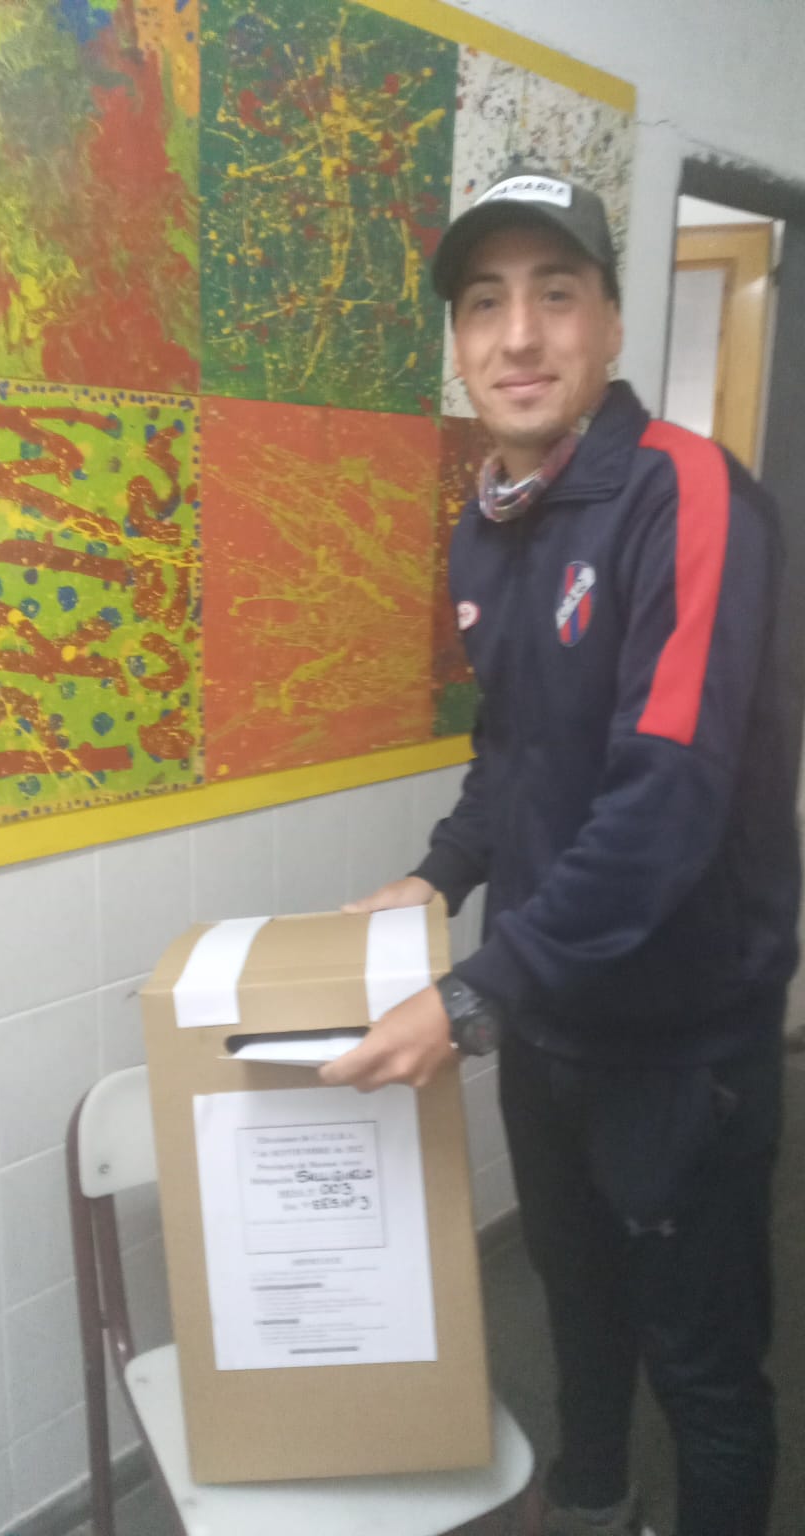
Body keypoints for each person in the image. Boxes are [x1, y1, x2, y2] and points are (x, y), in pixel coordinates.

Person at [320, 164, 801, 1536]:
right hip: (550, 1025)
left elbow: (668, 799)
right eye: (484, 303)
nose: (518, 335)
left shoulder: (687, 496)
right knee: (576, 1306)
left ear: (609, 324)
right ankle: (592, 1506)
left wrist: (472, 996)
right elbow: (517, 755)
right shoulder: (490, 527)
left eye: (556, 294)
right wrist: (440, 874)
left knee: (702, 1365)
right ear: (459, 340)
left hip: (680, 1042)